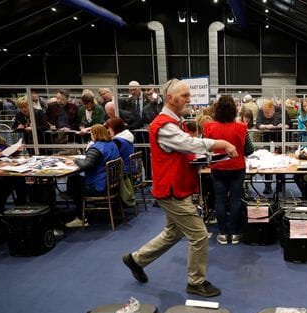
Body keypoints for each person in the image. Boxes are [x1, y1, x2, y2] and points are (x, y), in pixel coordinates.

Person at [122, 78, 238, 298]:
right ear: (170, 98)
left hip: (175, 188)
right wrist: (220, 144)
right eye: (184, 95)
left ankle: (136, 259)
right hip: (172, 190)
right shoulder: (165, 125)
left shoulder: (174, 122)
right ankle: (196, 282)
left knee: (172, 233)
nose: (189, 99)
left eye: (188, 94)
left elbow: (184, 150)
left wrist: (205, 158)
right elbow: (189, 144)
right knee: (199, 235)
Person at [203, 95, 248, 245]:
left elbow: (205, 147)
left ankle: (223, 233)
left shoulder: (209, 127)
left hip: (218, 168)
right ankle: (234, 233)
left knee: (220, 200)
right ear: (234, 110)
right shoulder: (241, 127)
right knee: (235, 200)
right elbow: (249, 149)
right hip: (237, 167)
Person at [65, 124, 120, 228]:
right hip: (111, 182)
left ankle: (81, 217)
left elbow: (87, 165)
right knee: (75, 180)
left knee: (73, 182)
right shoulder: (112, 144)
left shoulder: (96, 148)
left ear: (94, 134)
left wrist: (75, 160)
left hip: (99, 185)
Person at [0, 119, 27, 211]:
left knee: (19, 177)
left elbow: (7, 153)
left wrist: (17, 150)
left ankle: (22, 205)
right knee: (11, 181)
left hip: (0, 173)